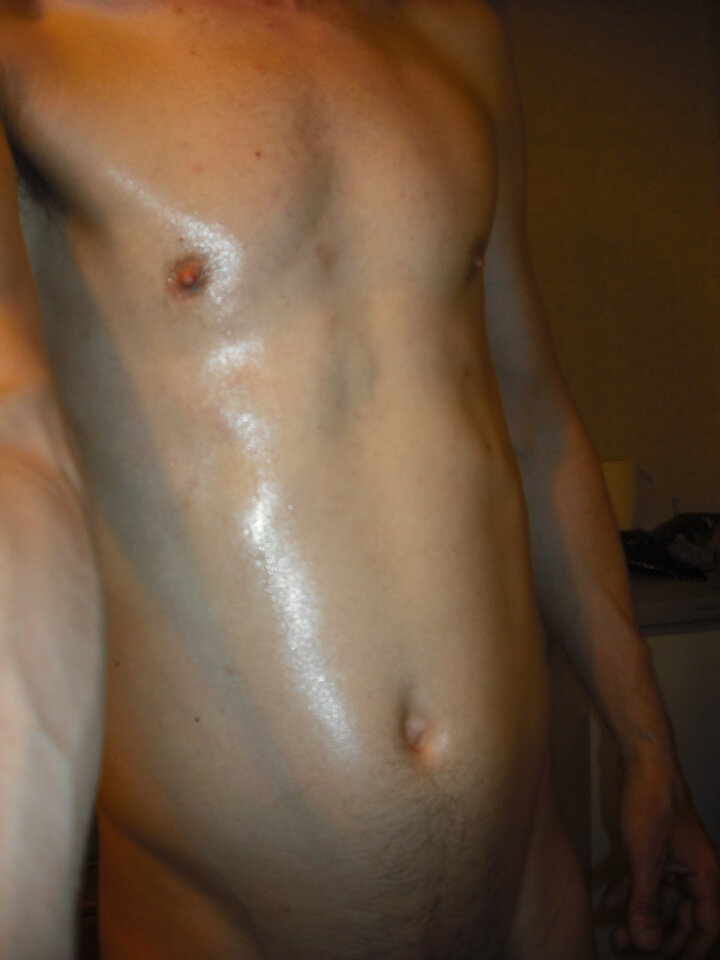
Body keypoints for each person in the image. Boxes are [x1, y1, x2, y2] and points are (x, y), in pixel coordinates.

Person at [0, 1, 717, 957]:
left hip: (528, 904)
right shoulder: (33, 38)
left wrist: (649, 745)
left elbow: (533, 421)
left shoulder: (457, 32)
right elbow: (17, 453)